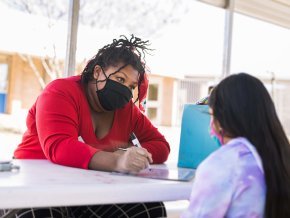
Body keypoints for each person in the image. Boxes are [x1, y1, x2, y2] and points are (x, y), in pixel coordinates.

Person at [4, 35, 170, 218]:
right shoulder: (59, 92)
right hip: (34, 184)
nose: (125, 91)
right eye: (120, 79)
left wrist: (130, 154)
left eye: (131, 87)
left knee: (149, 208)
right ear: (97, 72)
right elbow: (59, 147)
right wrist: (117, 161)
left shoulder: (127, 109)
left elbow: (161, 146)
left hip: (88, 188)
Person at [182, 73, 290, 218]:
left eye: (212, 115)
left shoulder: (222, 165)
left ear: (224, 118)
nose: (211, 126)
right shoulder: (282, 157)